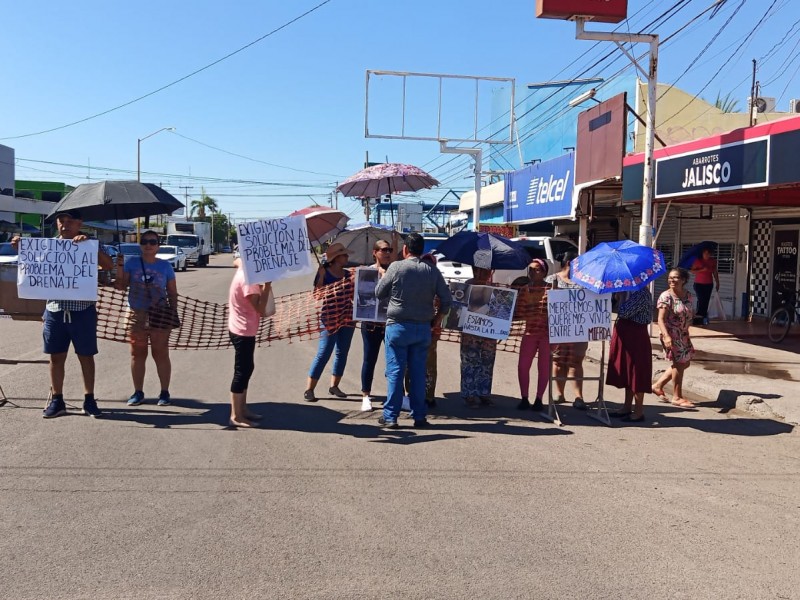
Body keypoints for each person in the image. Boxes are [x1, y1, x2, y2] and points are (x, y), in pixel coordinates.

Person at [12, 209, 114, 418]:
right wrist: (19, 246)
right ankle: (58, 400)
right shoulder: (48, 246)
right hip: (55, 310)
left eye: (69, 221)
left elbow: (108, 265)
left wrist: (89, 247)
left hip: (82, 311)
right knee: (56, 357)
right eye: (61, 221)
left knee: (86, 356)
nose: (64, 225)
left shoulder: (89, 244)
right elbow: (32, 267)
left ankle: (89, 399)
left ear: (79, 223)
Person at [374, 232, 451, 429]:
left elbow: (379, 293)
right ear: (422, 250)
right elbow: (447, 299)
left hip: (398, 326)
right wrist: (438, 318)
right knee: (417, 373)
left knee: (395, 372)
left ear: (405, 249)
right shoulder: (432, 271)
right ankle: (419, 416)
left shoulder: (396, 267)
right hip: (422, 328)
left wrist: (385, 277)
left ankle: (391, 416)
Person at [115, 230, 178, 407]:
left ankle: (164, 392)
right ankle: (138, 392)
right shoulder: (131, 263)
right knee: (137, 353)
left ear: (158, 245)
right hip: (136, 313)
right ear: (140, 244)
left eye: (152, 242)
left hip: (160, 314)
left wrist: (172, 313)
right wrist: (119, 267)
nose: (148, 245)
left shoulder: (165, 266)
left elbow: (172, 292)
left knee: (160, 353)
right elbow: (120, 286)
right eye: (144, 241)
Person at [304, 243, 355, 402]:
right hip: (329, 318)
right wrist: (320, 276)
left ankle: (334, 386)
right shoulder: (324, 272)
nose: (347, 257)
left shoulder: (348, 274)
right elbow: (317, 296)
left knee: (342, 352)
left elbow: (354, 296)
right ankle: (309, 389)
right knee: (324, 352)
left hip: (347, 317)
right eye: (344, 255)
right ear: (335, 258)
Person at [227, 253, 273, 427]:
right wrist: (267, 286)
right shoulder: (250, 282)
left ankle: (242, 409)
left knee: (247, 368)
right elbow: (260, 309)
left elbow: (236, 260)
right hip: (243, 331)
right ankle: (235, 416)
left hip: (239, 327)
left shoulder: (244, 269)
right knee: (242, 371)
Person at [359, 238, 398, 412]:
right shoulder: (367, 272)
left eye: (390, 250)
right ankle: (366, 396)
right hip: (371, 324)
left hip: (391, 322)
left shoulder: (396, 271)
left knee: (396, 361)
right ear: (375, 253)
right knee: (369, 359)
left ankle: (399, 395)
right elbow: (361, 296)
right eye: (384, 250)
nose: (387, 253)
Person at [546, 251, 588, 409]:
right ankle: (560, 394)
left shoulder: (586, 282)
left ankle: (579, 397)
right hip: (558, 329)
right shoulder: (552, 280)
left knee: (576, 362)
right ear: (570, 263)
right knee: (558, 361)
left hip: (579, 330)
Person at [606, 288, 654, 422]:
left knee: (637, 372)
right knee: (627, 372)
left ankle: (638, 411)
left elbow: (624, 312)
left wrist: (620, 298)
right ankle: (626, 407)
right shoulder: (628, 292)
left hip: (636, 335)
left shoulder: (641, 293)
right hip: (625, 333)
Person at [652, 267, 696, 408]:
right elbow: (660, 319)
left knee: (685, 363)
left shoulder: (688, 295)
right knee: (679, 364)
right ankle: (677, 397)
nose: (672, 280)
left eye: (675, 277)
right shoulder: (666, 296)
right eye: (670, 277)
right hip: (671, 334)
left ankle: (658, 385)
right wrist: (666, 336)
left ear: (683, 280)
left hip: (683, 334)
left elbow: (689, 314)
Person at [460, 267, 498, 408]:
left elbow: (501, 314)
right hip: (470, 335)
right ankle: (469, 394)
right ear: (474, 270)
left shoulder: (496, 288)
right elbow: (457, 310)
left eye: (487, 271)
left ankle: (484, 394)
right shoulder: (466, 286)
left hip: (489, 335)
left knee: (487, 363)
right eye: (480, 270)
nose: (483, 274)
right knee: (469, 363)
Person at [515, 258, 550, 412]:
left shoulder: (552, 289)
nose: (532, 272)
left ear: (543, 272)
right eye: (530, 269)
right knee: (523, 366)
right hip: (529, 333)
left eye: (536, 269)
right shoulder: (524, 290)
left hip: (547, 335)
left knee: (543, 367)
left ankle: (539, 398)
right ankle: (524, 397)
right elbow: (519, 312)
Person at [690, 247, 720, 325]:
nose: (707, 255)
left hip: (708, 283)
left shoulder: (713, 261)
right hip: (699, 283)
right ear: (702, 254)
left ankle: (703, 315)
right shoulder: (698, 261)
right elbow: (692, 271)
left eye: (708, 253)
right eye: (705, 253)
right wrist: (701, 270)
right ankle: (699, 315)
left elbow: (715, 272)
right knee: (701, 299)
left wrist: (717, 282)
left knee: (706, 300)